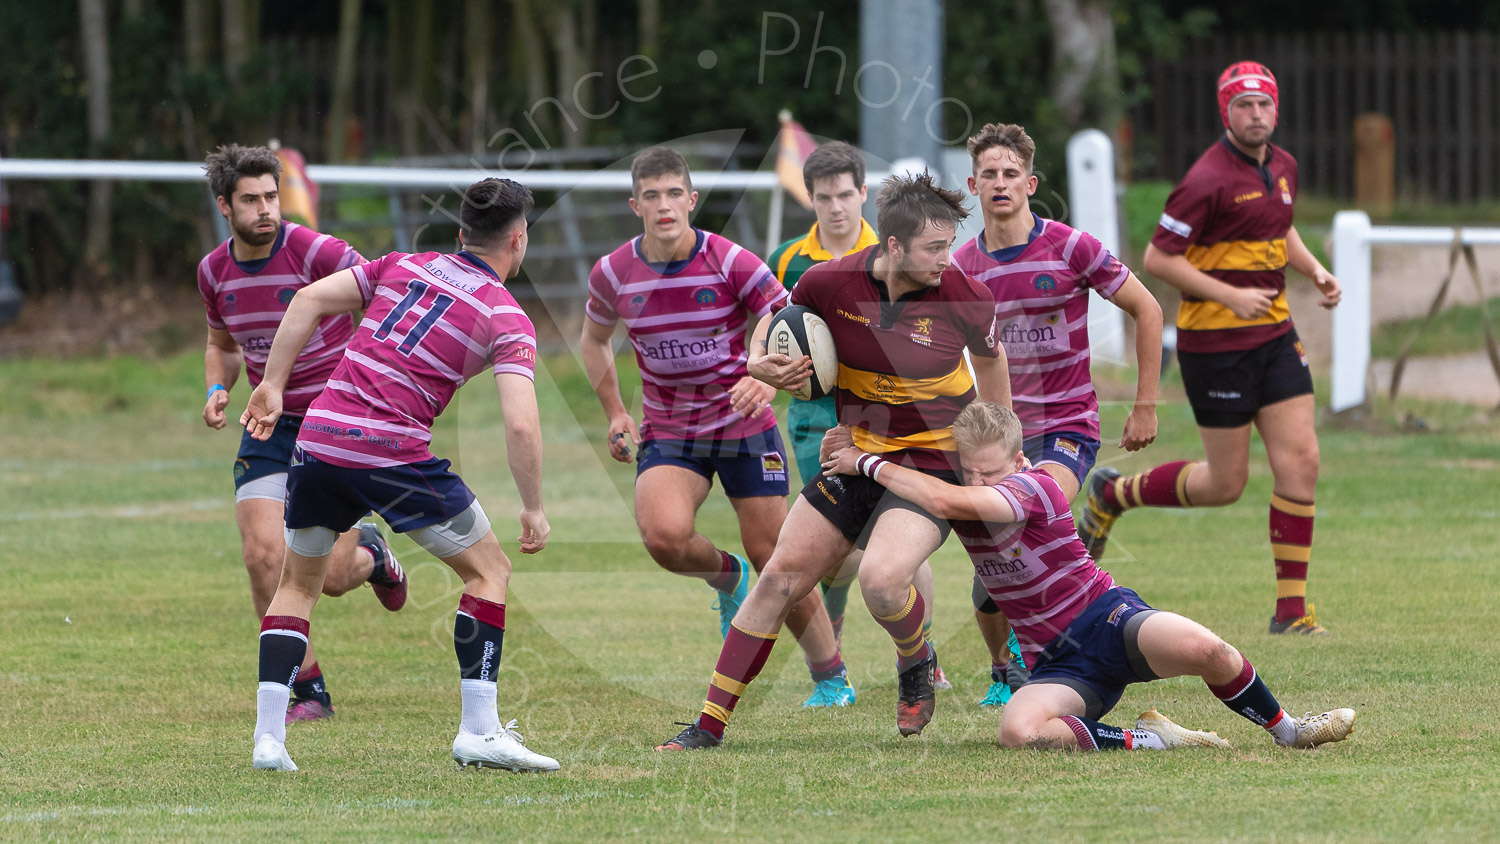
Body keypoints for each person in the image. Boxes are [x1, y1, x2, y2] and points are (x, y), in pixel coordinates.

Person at [656, 171, 1010, 750]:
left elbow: (992, 369)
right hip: (853, 456)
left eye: (949, 244)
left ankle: (915, 660)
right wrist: (758, 361)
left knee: (882, 581)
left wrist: (996, 455)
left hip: (931, 466)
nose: (949, 258)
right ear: (893, 247)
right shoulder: (828, 282)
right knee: (777, 580)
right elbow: (777, 321)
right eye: (935, 247)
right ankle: (709, 725)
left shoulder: (966, 296)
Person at [240, 177, 558, 773]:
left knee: (297, 586)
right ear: (518, 240)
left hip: (317, 440)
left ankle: (268, 740)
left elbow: (306, 298)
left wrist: (273, 384)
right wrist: (533, 506)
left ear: (461, 235)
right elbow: (521, 424)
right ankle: (479, 731)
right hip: (392, 452)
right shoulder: (504, 314)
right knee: (489, 571)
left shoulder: (402, 264)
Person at [825, 401, 1356, 752]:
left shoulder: (1035, 488)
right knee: (1017, 731)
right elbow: (930, 473)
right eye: (972, 472)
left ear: (1018, 460)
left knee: (1211, 652)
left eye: (992, 470)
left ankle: (1290, 731)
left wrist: (864, 461)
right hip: (1056, 664)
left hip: (1108, 620)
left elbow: (944, 496)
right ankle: (1155, 740)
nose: (982, 480)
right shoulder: (966, 490)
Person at [580, 146, 850, 707]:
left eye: (674, 193)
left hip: (743, 423)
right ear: (635, 204)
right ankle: (727, 578)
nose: (664, 206)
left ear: (692, 200)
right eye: (651, 196)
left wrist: (766, 378)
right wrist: (615, 411)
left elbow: (784, 318)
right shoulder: (612, 273)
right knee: (663, 538)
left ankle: (832, 678)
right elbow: (594, 339)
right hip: (671, 429)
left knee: (775, 551)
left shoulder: (730, 261)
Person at [1078, 61, 1342, 636]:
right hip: (1216, 346)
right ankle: (1113, 493)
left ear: (1276, 109)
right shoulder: (1206, 179)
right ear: (1226, 112)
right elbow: (1158, 259)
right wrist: (1230, 294)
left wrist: (1316, 269)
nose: (1255, 114)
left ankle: (1291, 613)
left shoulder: (1284, 166)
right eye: (1243, 105)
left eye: (1264, 104)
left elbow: (1281, 227)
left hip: (1275, 337)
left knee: (1303, 461)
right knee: (1226, 485)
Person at [953, 123, 1164, 707]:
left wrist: (1145, 403)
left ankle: (1064, 651)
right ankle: (1004, 667)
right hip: (997, 435)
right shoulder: (961, 268)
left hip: (1066, 428)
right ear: (972, 186)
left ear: (1030, 182)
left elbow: (1147, 309)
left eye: (1010, 174)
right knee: (992, 557)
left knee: (1017, 525)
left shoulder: (1072, 248)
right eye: (989, 175)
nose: (1000, 184)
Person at [197, 144, 405, 725]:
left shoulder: (318, 251)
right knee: (263, 557)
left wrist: (373, 381)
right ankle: (308, 690)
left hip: (334, 420)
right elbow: (221, 344)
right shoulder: (214, 271)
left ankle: (373, 552)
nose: (266, 209)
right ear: (224, 206)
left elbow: (382, 299)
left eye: (272, 196)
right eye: (251, 199)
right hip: (268, 422)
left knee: (332, 577)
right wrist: (218, 388)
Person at [766, 141, 946, 697]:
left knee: (892, 534)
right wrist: (759, 373)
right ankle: (836, 657)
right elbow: (778, 329)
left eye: (846, 194)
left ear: (863, 194)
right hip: (811, 418)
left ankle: (920, 655)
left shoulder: (893, 249)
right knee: (830, 544)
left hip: (879, 410)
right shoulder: (788, 258)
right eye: (823, 197)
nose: (836, 207)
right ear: (811, 199)